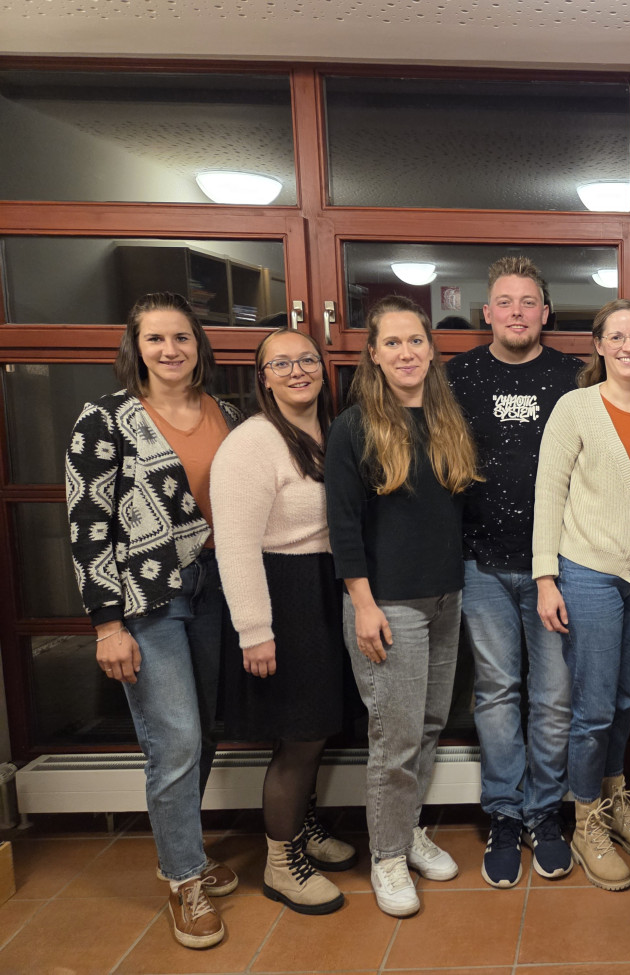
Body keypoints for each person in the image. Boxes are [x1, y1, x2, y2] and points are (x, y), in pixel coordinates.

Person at [65, 292, 242, 949]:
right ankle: (184, 880)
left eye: (182, 337)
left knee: (206, 730)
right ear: (135, 348)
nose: (171, 350)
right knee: (174, 738)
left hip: (217, 587)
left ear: (199, 345)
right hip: (147, 598)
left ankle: (183, 847)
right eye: (156, 339)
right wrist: (106, 624)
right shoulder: (106, 419)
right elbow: (87, 523)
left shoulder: (226, 413)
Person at [324, 294, 478, 917]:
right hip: (388, 606)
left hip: (446, 597)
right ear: (373, 354)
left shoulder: (447, 419)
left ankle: (406, 831)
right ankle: (387, 856)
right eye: (392, 342)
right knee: (394, 739)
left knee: (429, 726)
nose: (406, 352)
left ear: (431, 351)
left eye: (415, 340)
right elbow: (342, 527)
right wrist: (363, 605)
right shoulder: (354, 427)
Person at [533, 298, 630, 891]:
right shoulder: (576, 408)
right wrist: (546, 578)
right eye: (616, 337)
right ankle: (585, 820)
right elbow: (549, 492)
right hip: (588, 571)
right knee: (593, 708)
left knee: (626, 698)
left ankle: (617, 799)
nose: (628, 346)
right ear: (598, 346)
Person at [445, 256, 582, 888]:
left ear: (545, 313)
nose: (517, 312)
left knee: (554, 697)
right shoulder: (457, 377)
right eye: (505, 301)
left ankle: (545, 813)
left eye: (529, 302)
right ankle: (504, 813)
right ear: (487, 313)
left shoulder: (574, 378)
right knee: (496, 693)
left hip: (556, 564)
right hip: (480, 563)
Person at [211, 328, 356, 916]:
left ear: (323, 367)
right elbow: (235, 545)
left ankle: (303, 828)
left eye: (306, 359)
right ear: (263, 378)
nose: (297, 371)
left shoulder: (331, 430)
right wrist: (254, 631)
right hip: (280, 598)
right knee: (298, 737)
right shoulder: (251, 442)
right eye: (281, 363)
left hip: (325, 588)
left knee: (316, 727)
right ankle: (281, 864)